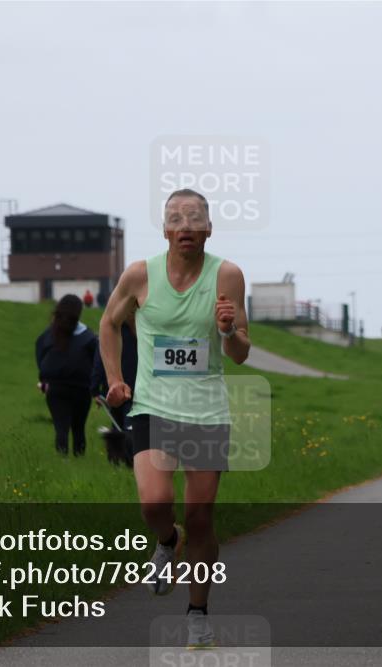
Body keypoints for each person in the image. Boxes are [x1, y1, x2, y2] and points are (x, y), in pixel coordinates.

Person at [100, 188, 250, 648]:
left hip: (206, 414)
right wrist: (115, 379)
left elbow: (241, 353)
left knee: (202, 517)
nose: (185, 226)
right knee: (153, 502)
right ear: (165, 230)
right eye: (175, 218)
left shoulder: (227, 275)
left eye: (195, 218)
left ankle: (198, 614)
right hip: (153, 408)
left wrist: (228, 330)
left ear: (208, 228)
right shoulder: (140, 276)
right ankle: (167, 540)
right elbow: (109, 323)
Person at [35, 294, 98, 456]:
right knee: (79, 428)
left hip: (55, 389)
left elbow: (40, 356)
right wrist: (97, 387)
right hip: (82, 389)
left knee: (61, 428)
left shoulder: (48, 335)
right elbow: (97, 361)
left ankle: (62, 461)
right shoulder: (88, 337)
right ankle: (79, 461)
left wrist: (43, 379)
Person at [90, 318, 138, 466]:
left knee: (116, 424)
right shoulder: (143, 332)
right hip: (135, 389)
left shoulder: (109, 334)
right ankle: (130, 462)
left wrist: (95, 390)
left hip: (113, 390)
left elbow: (99, 362)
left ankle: (115, 461)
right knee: (130, 427)